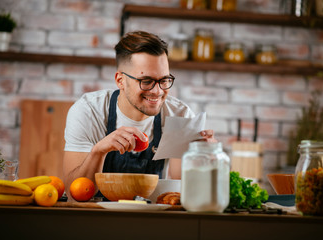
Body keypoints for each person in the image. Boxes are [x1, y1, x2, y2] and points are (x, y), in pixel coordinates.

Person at [63, 31, 216, 197]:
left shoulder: (179, 114)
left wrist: (203, 157)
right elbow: (75, 193)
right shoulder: (89, 111)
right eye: (147, 81)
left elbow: (182, 189)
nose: (157, 91)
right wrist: (98, 152)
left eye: (164, 80)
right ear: (120, 80)